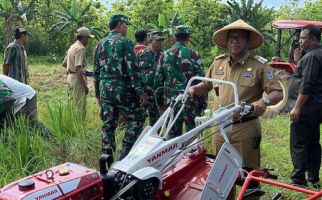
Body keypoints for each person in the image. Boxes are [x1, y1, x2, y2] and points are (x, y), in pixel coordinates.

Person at [188, 19, 283, 199]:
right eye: (232, 38)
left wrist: (263, 102)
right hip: (219, 127)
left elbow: (277, 92)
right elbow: (206, 85)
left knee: (247, 173)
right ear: (227, 41)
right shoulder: (218, 63)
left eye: (239, 38)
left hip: (245, 128)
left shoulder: (259, 65)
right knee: (221, 172)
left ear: (247, 41)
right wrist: (193, 89)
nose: (235, 41)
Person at [93, 14, 147, 160]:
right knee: (138, 117)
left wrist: (98, 94)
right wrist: (140, 91)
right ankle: (126, 154)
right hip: (122, 90)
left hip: (105, 90)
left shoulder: (99, 44)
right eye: (126, 25)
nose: (127, 28)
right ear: (120, 25)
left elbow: (96, 71)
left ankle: (106, 157)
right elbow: (133, 69)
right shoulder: (125, 42)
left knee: (109, 123)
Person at [154, 25, 207, 138]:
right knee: (193, 136)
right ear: (188, 38)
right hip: (191, 101)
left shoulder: (164, 55)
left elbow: (158, 79)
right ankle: (192, 155)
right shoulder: (193, 54)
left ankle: (174, 156)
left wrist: (160, 103)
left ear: (174, 37)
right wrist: (203, 103)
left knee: (172, 138)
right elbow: (202, 79)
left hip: (171, 101)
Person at [288, 24, 322, 189]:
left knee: (299, 142)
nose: (300, 41)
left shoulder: (312, 57)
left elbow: (307, 83)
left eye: (303, 38)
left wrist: (297, 107)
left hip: (307, 107)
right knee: (313, 141)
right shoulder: (316, 54)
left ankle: (298, 178)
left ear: (313, 39)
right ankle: (313, 177)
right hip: (317, 107)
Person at [62, 27, 94, 115]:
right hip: (77, 79)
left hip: (70, 78)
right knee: (80, 107)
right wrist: (84, 86)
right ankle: (79, 127)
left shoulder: (72, 47)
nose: (88, 40)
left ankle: (71, 125)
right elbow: (78, 69)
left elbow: (64, 63)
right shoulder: (80, 49)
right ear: (84, 37)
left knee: (72, 104)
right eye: (88, 38)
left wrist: (72, 70)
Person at [137, 31, 164, 125]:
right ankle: (138, 139)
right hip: (143, 93)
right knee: (138, 120)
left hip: (157, 93)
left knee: (156, 122)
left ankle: (154, 138)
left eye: (161, 40)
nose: (159, 43)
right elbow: (135, 73)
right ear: (151, 40)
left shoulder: (164, 55)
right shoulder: (141, 54)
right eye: (157, 40)